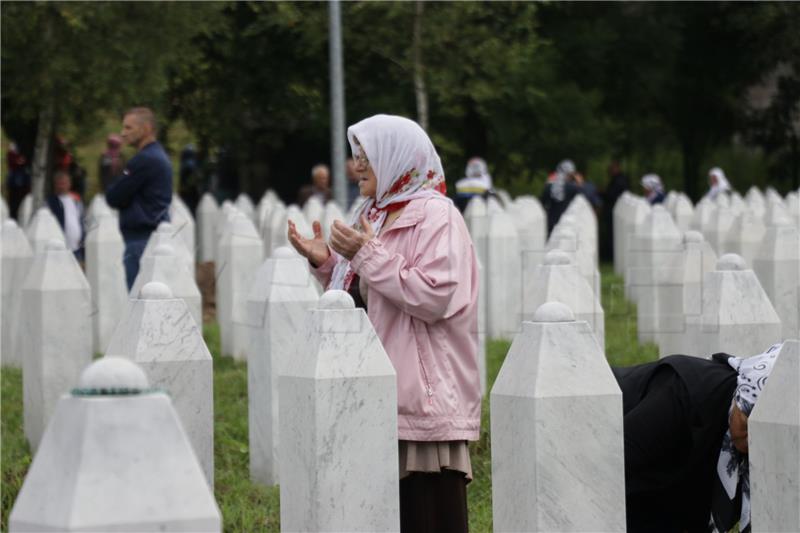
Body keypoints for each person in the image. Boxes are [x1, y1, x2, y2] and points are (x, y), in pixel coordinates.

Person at [288, 114, 481, 533]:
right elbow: (369, 292)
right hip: (375, 385)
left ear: (396, 159)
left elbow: (434, 295)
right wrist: (326, 262)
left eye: (366, 157)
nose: (356, 166)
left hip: (420, 394)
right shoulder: (374, 212)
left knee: (425, 514)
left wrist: (366, 255)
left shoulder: (437, 217)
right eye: (356, 156)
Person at [613, 343, 783, 533]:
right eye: (746, 419)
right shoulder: (684, 395)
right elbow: (610, 470)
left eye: (759, 428)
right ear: (742, 393)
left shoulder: (752, 455)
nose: (750, 437)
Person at [105, 107, 173, 289]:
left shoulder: (145, 160)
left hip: (141, 240)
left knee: (139, 304)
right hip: (151, 238)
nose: (122, 133)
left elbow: (114, 197)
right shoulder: (157, 156)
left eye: (129, 128)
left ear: (146, 128)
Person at [46, 169, 84, 259]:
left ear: (69, 184)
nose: (62, 186)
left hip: (76, 248)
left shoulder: (76, 201)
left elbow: (81, 219)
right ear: (55, 185)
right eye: (59, 183)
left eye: (64, 183)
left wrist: (82, 237)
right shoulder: (50, 203)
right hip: (60, 248)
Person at [540, 159, 585, 236]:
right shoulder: (572, 188)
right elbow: (585, 195)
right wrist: (579, 181)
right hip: (567, 225)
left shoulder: (549, 186)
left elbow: (541, 204)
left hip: (551, 224)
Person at [600, 160, 630, 262]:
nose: (610, 171)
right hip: (612, 210)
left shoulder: (619, 180)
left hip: (614, 210)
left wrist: (603, 193)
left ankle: (612, 256)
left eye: (612, 169)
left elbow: (612, 195)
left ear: (617, 168)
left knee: (613, 235)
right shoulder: (617, 179)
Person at [6, 142, 30, 221]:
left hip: (23, 181)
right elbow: (12, 160)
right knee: (14, 203)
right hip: (15, 182)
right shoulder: (13, 146)